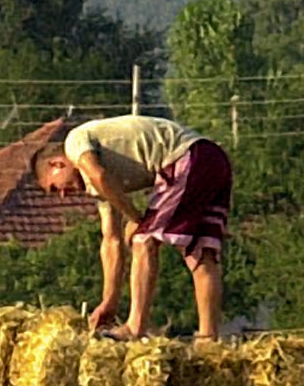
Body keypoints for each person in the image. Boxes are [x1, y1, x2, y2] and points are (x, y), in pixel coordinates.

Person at [38, 112, 232, 341]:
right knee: (201, 255)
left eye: (55, 187)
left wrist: (138, 220)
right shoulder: (100, 188)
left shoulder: (74, 142)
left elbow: (99, 175)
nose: (63, 195)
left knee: (143, 240)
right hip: (214, 160)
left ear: (56, 164)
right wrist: (109, 303)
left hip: (185, 158)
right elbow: (111, 241)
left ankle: (134, 327)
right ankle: (208, 339)